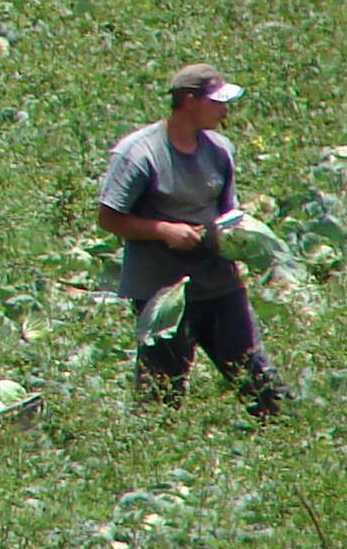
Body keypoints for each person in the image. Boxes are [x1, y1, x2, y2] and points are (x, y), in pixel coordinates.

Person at [97, 62, 285, 417]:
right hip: (163, 292)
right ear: (188, 101)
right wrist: (164, 231)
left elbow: (227, 213)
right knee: (161, 393)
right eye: (216, 102)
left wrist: (245, 242)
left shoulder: (219, 149)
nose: (225, 110)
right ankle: (155, 459)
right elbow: (109, 217)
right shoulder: (139, 153)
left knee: (256, 378)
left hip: (219, 283)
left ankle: (285, 437)